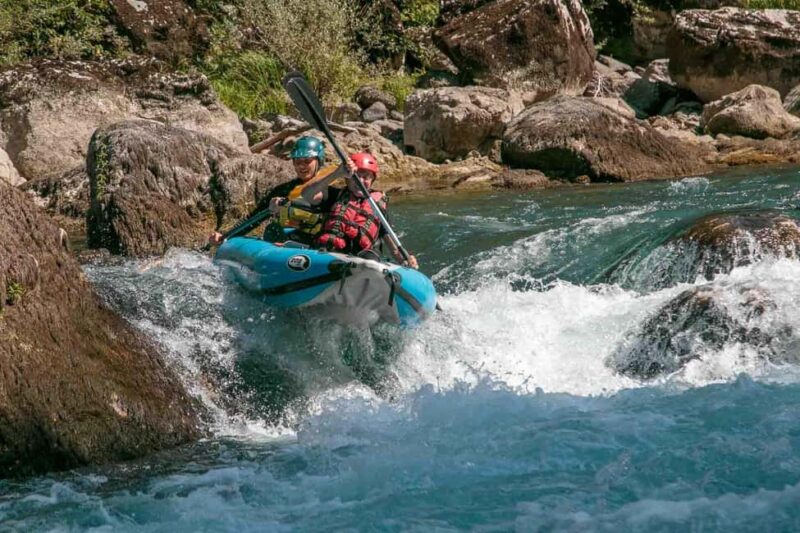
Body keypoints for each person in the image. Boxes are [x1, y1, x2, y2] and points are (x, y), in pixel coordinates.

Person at [208, 135, 342, 246]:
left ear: (319, 161)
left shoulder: (331, 193)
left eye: (307, 161)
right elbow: (253, 218)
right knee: (272, 229)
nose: (301, 166)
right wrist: (226, 235)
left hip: (313, 247)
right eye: (297, 161)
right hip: (283, 244)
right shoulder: (284, 190)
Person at [317, 152, 418, 269]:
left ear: (372, 181)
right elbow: (308, 194)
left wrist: (406, 259)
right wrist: (336, 173)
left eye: (366, 177)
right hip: (329, 254)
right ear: (347, 178)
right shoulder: (334, 195)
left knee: (371, 257)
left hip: (361, 261)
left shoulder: (377, 207)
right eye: (356, 176)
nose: (360, 181)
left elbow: (394, 248)